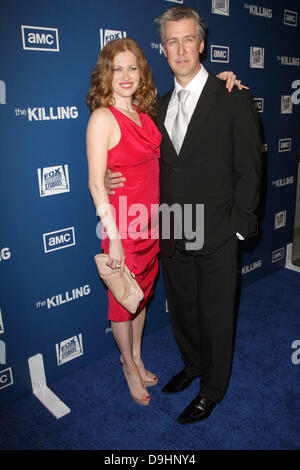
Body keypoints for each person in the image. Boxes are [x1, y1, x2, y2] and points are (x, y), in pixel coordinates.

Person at [107, 5, 261, 423]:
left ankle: (213, 387)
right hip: (173, 229)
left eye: (187, 39)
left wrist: (242, 227)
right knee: (186, 311)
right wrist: (107, 179)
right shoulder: (156, 106)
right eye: (172, 40)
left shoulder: (232, 97)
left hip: (218, 230)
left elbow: (249, 167)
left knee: (215, 315)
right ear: (164, 48)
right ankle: (193, 365)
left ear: (202, 44)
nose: (180, 48)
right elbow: (135, 159)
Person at [86, 38, 162, 406]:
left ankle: (136, 355)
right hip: (124, 230)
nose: (126, 76)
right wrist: (113, 238)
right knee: (122, 302)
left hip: (152, 226)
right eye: (118, 68)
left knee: (141, 297)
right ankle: (129, 367)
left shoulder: (144, 114)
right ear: (106, 73)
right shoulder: (103, 117)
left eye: (133, 67)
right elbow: (95, 182)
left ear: (142, 72)